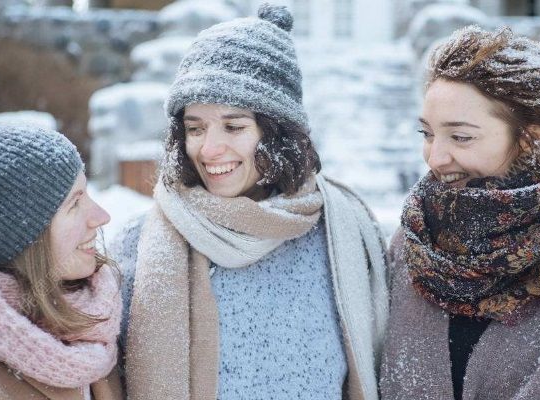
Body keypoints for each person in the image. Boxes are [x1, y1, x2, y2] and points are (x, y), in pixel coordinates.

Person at [112, 4, 388, 400]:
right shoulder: (137, 242)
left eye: (234, 126)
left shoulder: (343, 234)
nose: (209, 149)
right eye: (195, 128)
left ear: (278, 131)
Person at [379, 26, 540, 400]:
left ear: (530, 138)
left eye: (460, 137)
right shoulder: (412, 242)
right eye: (427, 134)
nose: (436, 157)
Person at [0, 124, 123, 400]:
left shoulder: (102, 319)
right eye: (74, 204)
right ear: (24, 235)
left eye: (87, 194)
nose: (101, 216)